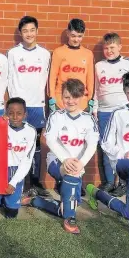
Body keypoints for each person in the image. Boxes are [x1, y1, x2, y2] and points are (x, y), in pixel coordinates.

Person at [23, 79, 99, 234]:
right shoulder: (56, 116)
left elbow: (92, 144)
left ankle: (36, 201)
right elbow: (50, 140)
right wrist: (66, 159)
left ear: (82, 97)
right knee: (71, 176)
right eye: (66, 97)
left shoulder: (89, 119)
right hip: (57, 161)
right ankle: (70, 220)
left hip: (79, 166)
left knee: (70, 203)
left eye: (74, 97)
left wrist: (81, 163)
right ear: (61, 97)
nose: (70, 101)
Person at [87, 71, 129, 243]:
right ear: (124, 91)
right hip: (122, 165)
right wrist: (122, 153)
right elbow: (105, 142)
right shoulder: (118, 114)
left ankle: (96, 193)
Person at [7, 16, 51, 197]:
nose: (29, 34)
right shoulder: (12, 53)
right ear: (20, 33)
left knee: (36, 147)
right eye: (25, 31)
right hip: (19, 108)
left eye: (32, 30)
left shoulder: (45, 54)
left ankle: (34, 182)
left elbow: (45, 82)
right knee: (16, 145)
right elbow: (8, 80)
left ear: (37, 31)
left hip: (36, 107)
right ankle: (19, 183)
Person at [94, 33, 129, 197]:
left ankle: (122, 183)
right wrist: (95, 109)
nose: (109, 51)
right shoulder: (99, 66)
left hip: (123, 112)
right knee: (106, 147)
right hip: (104, 112)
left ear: (120, 47)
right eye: (106, 48)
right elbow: (96, 89)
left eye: (112, 47)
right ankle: (108, 181)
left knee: (123, 146)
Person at [0, 97, 37, 219]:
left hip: (16, 171)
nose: (15, 117)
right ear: (6, 113)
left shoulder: (31, 131)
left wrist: (13, 183)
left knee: (11, 215)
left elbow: (27, 161)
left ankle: (6, 201)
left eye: (19, 113)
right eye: (11, 113)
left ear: (25, 114)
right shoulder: (0, 125)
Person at [48, 18, 94, 113]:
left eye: (79, 36)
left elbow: (91, 80)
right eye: (73, 36)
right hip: (61, 102)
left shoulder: (88, 54)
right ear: (67, 33)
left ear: (83, 34)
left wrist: (90, 100)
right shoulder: (58, 52)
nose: (76, 39)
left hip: (81, 103)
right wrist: (52, 99)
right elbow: (51, 78)